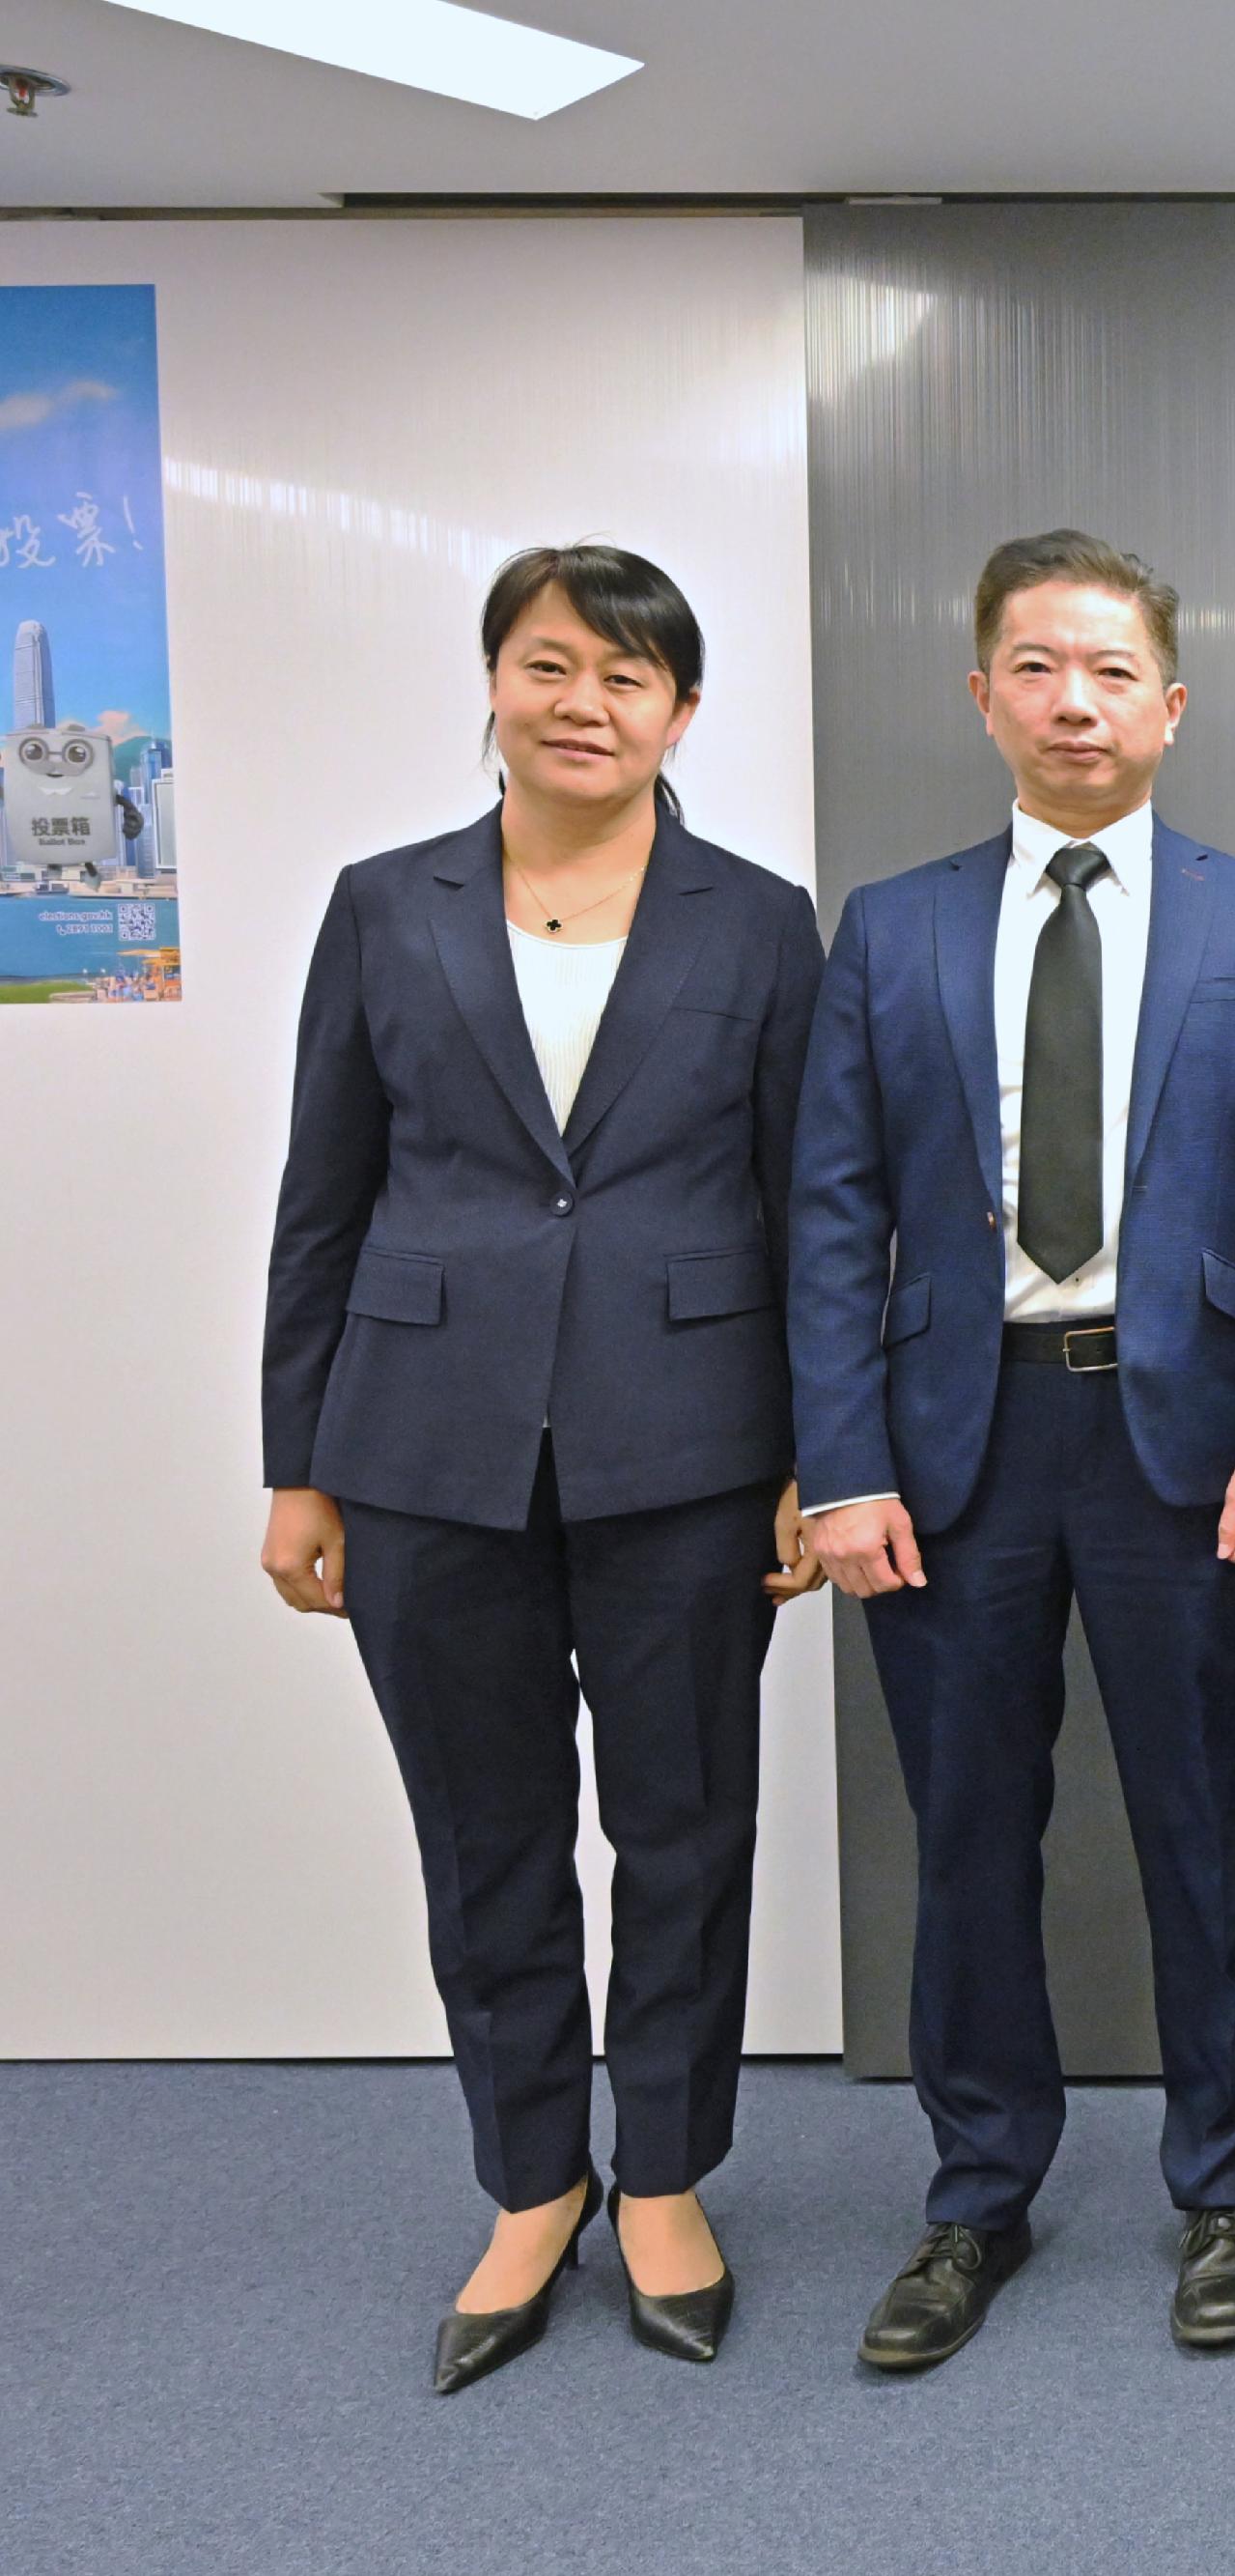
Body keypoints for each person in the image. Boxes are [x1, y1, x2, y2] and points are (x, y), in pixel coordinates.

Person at [260, 544, 828, 2392]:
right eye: (551, 664)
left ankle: (661, 2174)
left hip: (687, 1446)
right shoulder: (383, 906)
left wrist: (812, 1458)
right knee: (484, 1835)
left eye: (629, 677)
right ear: (494, 680)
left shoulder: (754, 920)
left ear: (680, 713)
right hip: (422, 1450)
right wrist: (298, 1462)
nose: (585, 703)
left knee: (681, 1833)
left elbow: (802, 1206)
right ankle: (530, 2182)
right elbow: (322, 1198)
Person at [787, 530, 1235, 2373]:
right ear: (982, 696)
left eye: (1111, 672)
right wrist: (842, 1463)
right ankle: (976, 2199)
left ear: (1171, 707)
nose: (1074, 701)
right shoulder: (894, 925)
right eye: (1036, 666)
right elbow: (829, 1217)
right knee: (968, 1836)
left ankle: (1225, 2192)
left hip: (1185, 1443)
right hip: (957, 1442)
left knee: (1208, 1832)